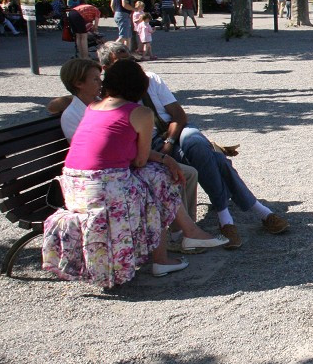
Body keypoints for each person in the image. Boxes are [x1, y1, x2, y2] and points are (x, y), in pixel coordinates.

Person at [95, 42, 290, 249]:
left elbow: (178, 115)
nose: (132, 66)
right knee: (214, 159)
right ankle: (246, 215)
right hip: (150, 142)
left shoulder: (151, 79)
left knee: (195, 143)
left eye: (131, 60)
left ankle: (229, 219)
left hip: (174, 130)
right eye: (123, 62)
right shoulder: (114, 94)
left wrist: (170, 142)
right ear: (108, 69)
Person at [41, 59, 216, 287]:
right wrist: (166, 160)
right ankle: (179, 243)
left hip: (74, 184)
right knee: (156, 183)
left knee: (156, 177)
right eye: (95, 78)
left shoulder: (94, 107)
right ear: (139, 87)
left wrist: (166, 159)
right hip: (102, 189)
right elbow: (141, 159)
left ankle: (183, 240)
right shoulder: (140, 112)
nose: (100, 83)